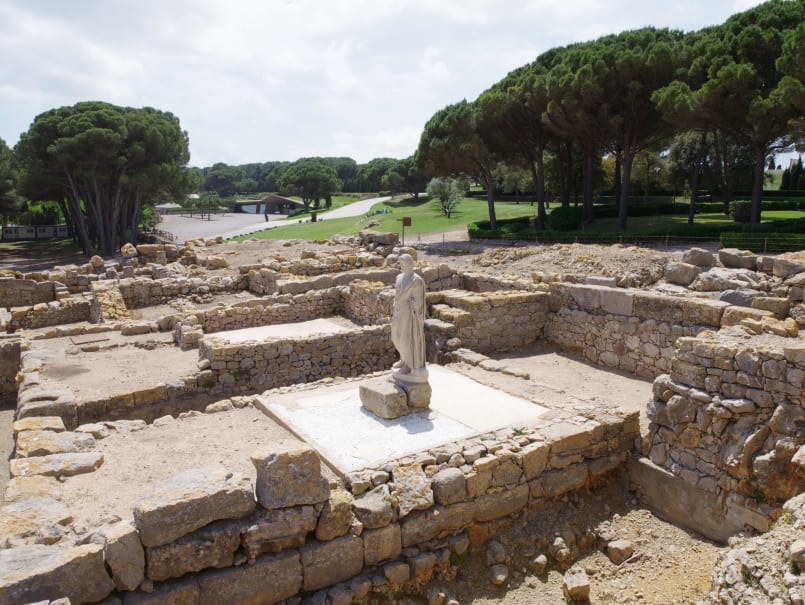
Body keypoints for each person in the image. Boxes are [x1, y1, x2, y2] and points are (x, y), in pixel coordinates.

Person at [391, 254, 427, 382]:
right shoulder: (399, 277)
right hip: (398, 312)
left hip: (409, 314)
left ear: (410, 264)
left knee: (407, 339)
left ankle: (409, 365)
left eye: (404, 264)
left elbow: (418, 302)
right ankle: (404, 358)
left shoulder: (416, 280)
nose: (402, 266)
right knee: (395, 336)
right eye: (400, 264)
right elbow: (397, 294)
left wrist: (410, 306)